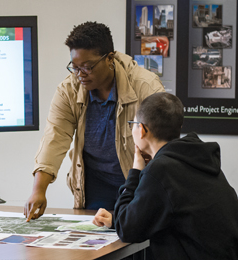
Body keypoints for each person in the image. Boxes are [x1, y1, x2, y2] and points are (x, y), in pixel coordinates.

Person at [24, 21, 165, 221]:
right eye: (75, 67)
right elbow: (54, 138)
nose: (80, 74)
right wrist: (39, 190)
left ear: (109, 59)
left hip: (139, 183)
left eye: (87, 67)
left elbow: (163, 143)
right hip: (94, 185)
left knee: (137, 242)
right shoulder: (68, 90)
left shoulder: (145, 86)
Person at [92, 93, 238, 259]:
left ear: (142, 130)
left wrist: (135, 172)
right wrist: (116, 220)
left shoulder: (161, 170)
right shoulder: (198, 159)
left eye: (132, 124)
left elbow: (127, 230)